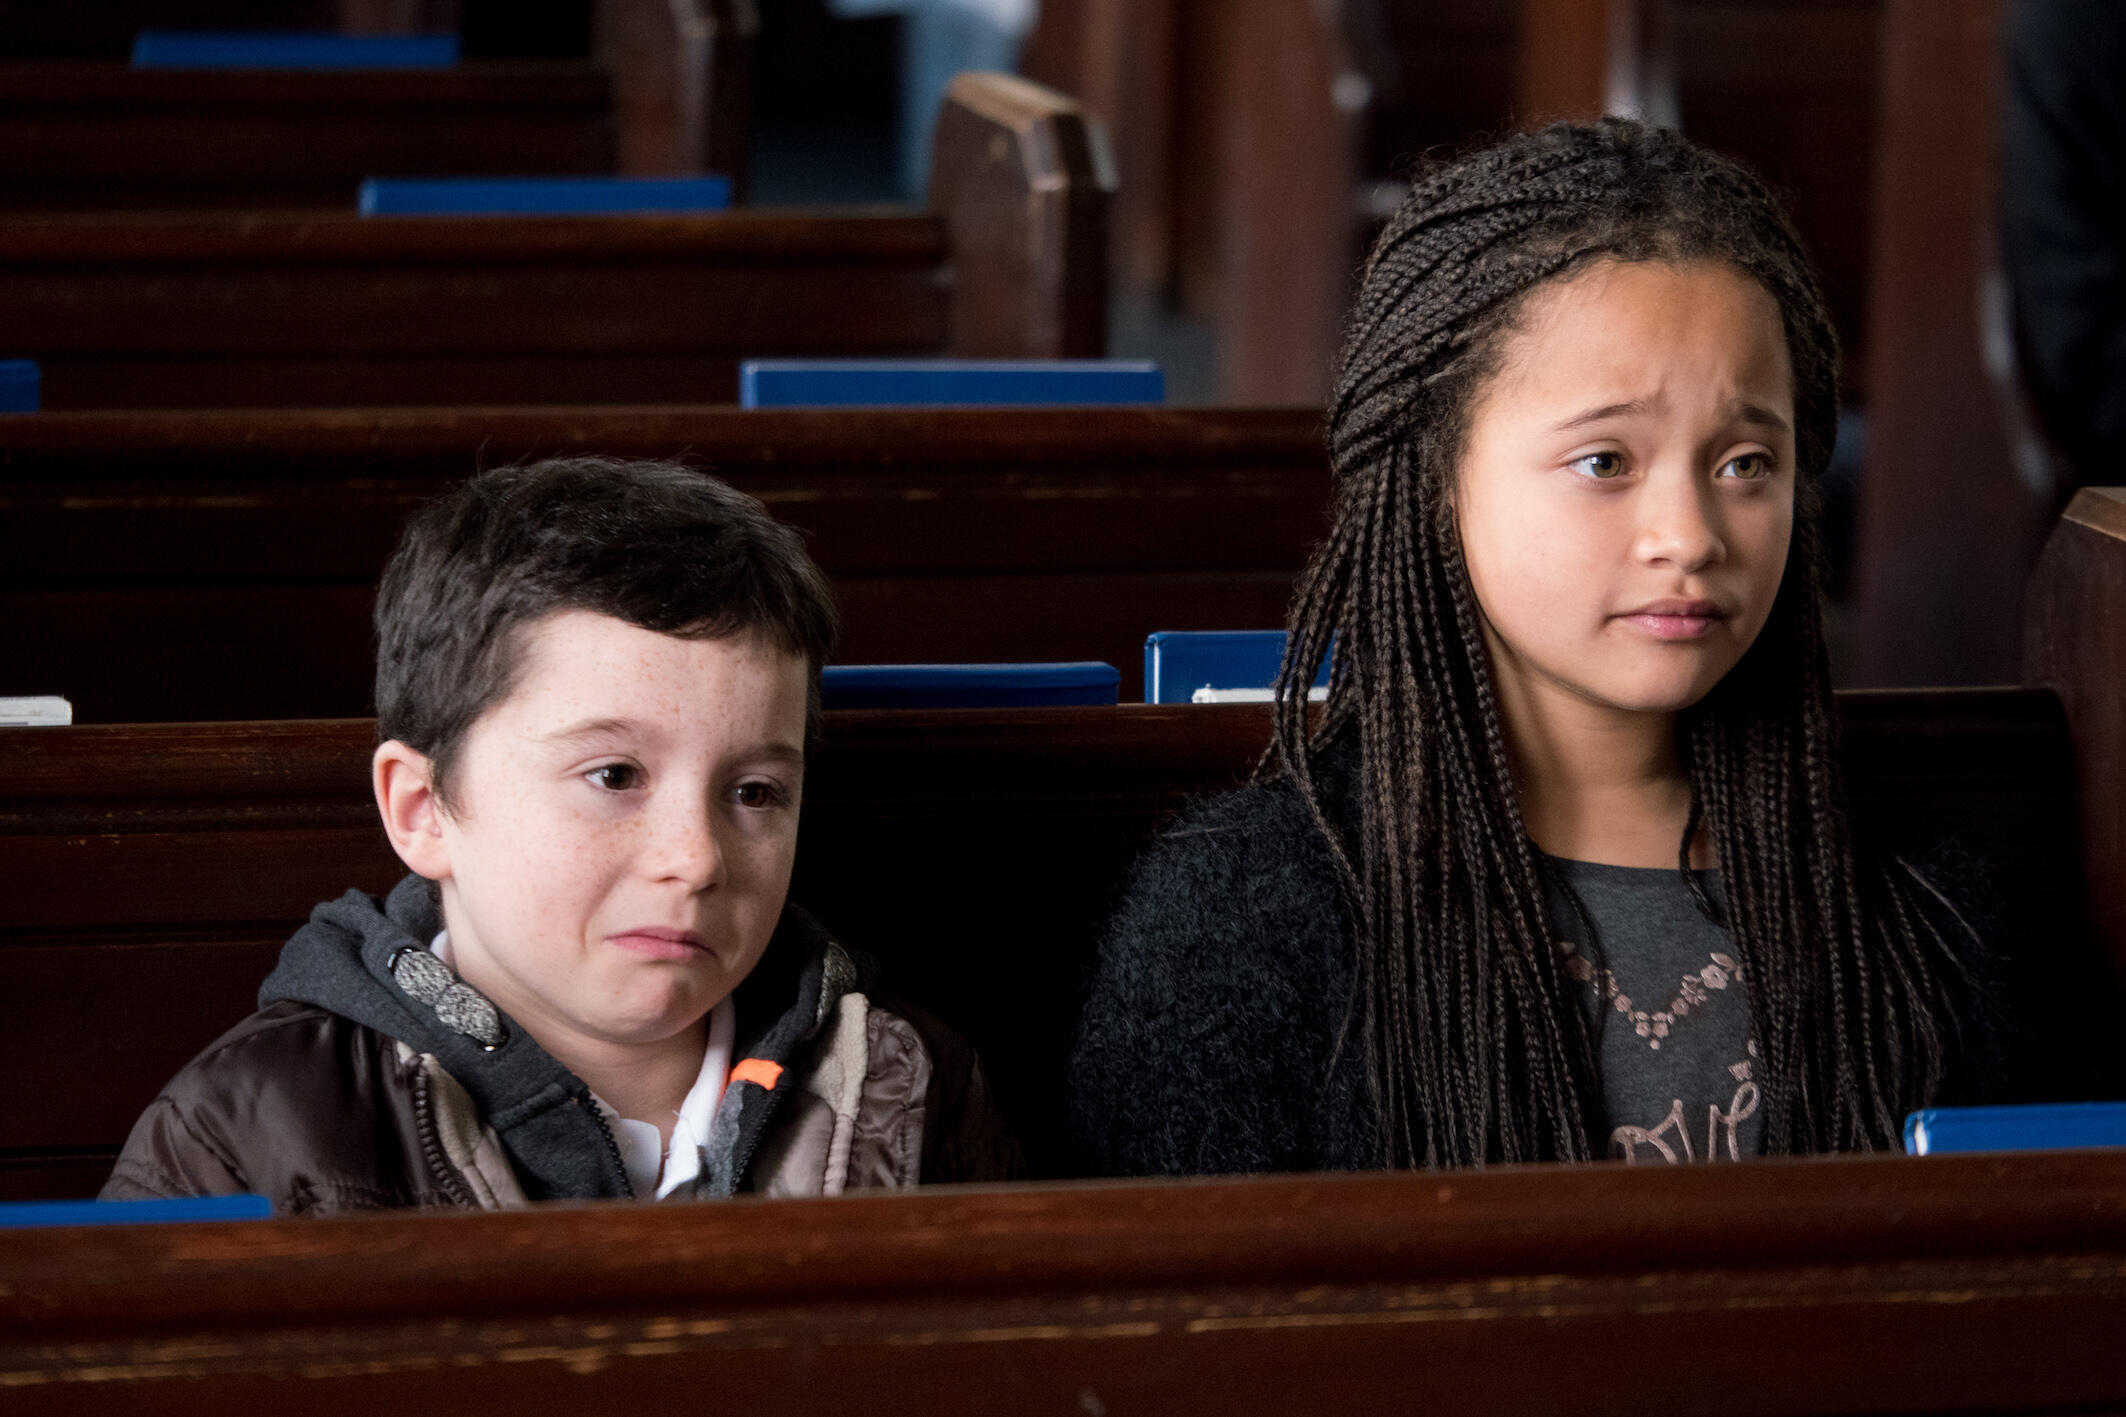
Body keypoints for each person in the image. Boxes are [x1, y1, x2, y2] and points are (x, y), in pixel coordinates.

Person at [1071, 120, 1995, 1176]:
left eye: (1745, 463)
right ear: (1434, 478)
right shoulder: (1246, 920)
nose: (1690, 536)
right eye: (1604, 460)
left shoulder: (1922, 923)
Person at [104, 457, 1016, 1214]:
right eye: (614, 776)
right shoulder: (246, 1127)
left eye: (753, 791)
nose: (696, 859)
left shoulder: (907, 1086)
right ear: (422, 808)